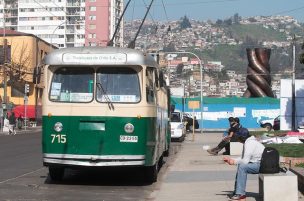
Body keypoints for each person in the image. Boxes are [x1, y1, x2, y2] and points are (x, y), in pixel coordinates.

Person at [223, 130, 265, 200]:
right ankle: (237, 191)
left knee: (242, 167)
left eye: (238, 138)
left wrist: (234, 162)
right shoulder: (249, 142)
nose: (237, 140)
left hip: (261, 165)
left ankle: (240, 194)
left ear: (241, 137)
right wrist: (232, 159)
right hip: (259, 164)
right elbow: (243, 158)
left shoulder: (250, 143)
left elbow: (245, 161)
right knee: (241, 166)